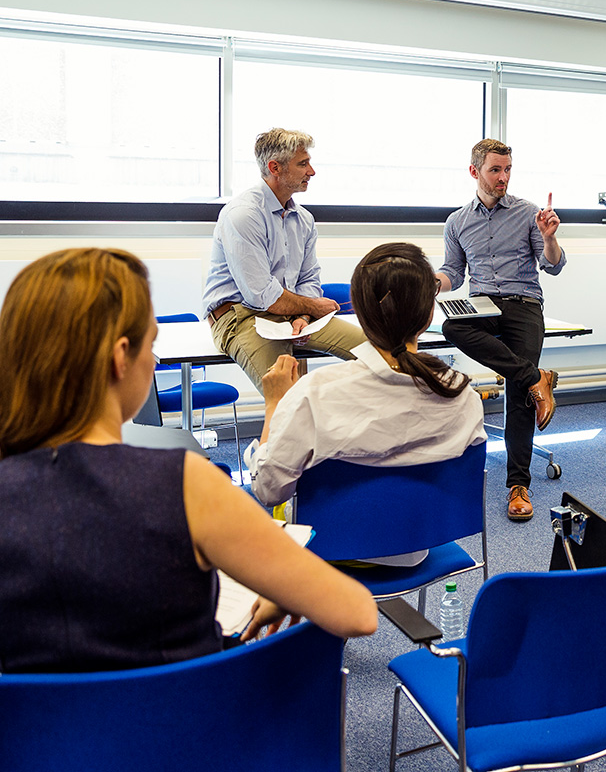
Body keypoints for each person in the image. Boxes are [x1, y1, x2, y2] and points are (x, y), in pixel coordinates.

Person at [0, 248, 377, 674]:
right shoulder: (183, 484)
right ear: (121, 357)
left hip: (29, 739)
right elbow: (357, 614)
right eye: (152, 344)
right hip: (187, 735)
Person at [246, 242, 486, 565]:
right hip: (420, 546)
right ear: (429, 314)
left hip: (327, 552)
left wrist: (275, 404)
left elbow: (268, 489)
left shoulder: (314, 394)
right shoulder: (463, 397)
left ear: (358, 314)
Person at [434, 139, 563, 522]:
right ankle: (535, 378)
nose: (503, 177)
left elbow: (552, 266)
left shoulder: (528, 214)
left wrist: (551, 237)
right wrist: (433, 282)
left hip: (523, 302)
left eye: (507, 169)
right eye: (495, 170)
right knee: (452, 326)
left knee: (519, 394)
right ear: (475, 172)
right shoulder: (457, 222)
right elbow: (453, 273)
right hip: (482, 304)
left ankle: (518, 486)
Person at [202, 128, 362, 393]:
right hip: (241, 316)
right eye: (303, 164)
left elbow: (309, 277)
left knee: (380, 355)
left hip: (289, 312)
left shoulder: (304, 219)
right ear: (275, 167)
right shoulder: (243, 215)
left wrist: (303, 314)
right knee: (288, 397)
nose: (311, 171)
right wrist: (312, 306)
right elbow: (261, 295)